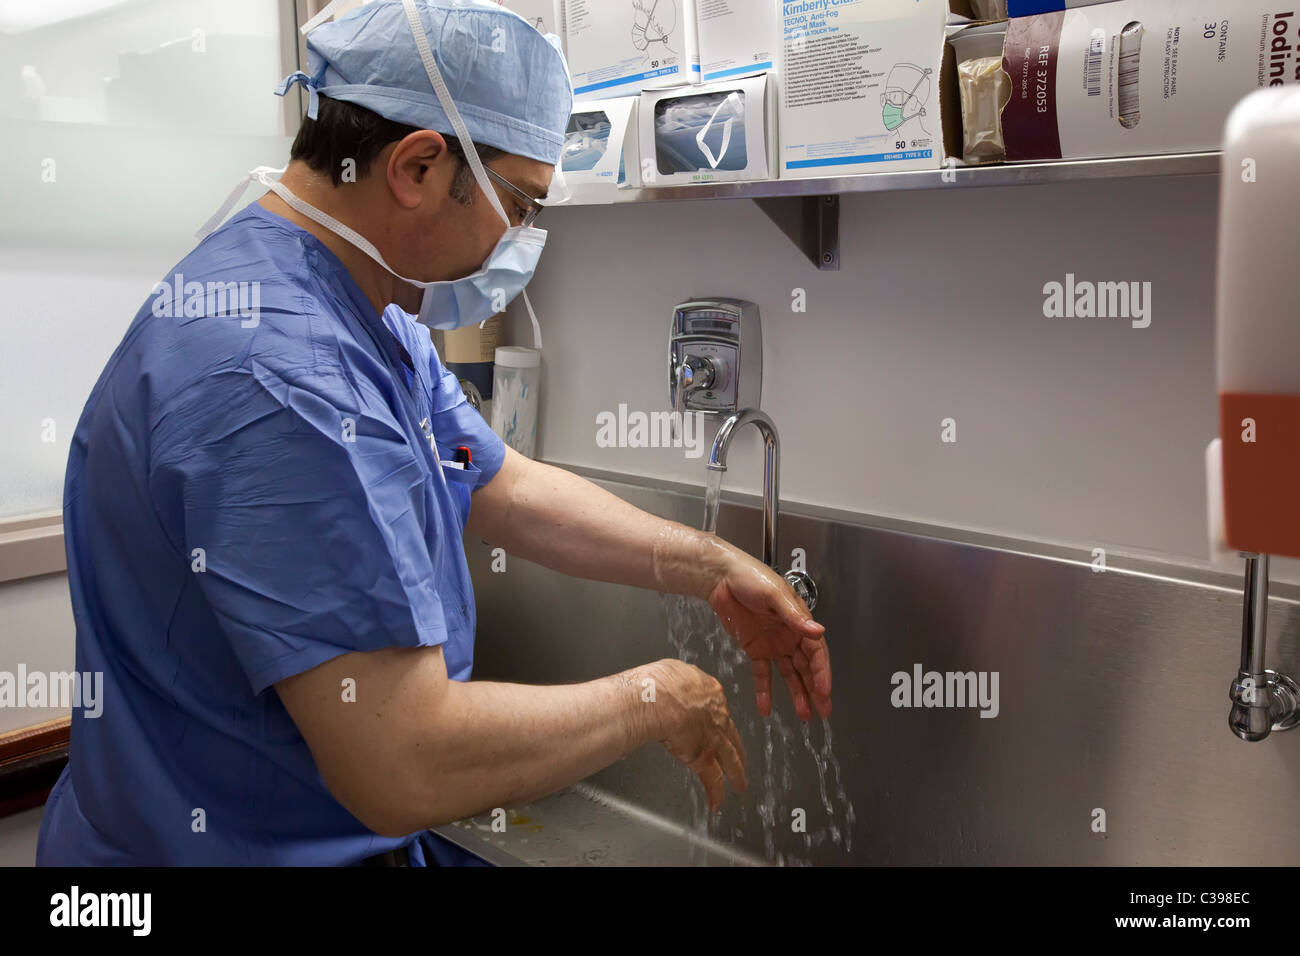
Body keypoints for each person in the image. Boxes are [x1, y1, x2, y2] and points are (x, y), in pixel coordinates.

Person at [36, 0, 830, 866]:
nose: (520, 238)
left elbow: (494, 482)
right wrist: (657, 698)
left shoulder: (360, 305)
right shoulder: (277, 374)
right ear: (417, 166)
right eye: (520, 204)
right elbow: (402, 762)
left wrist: (709, 564)